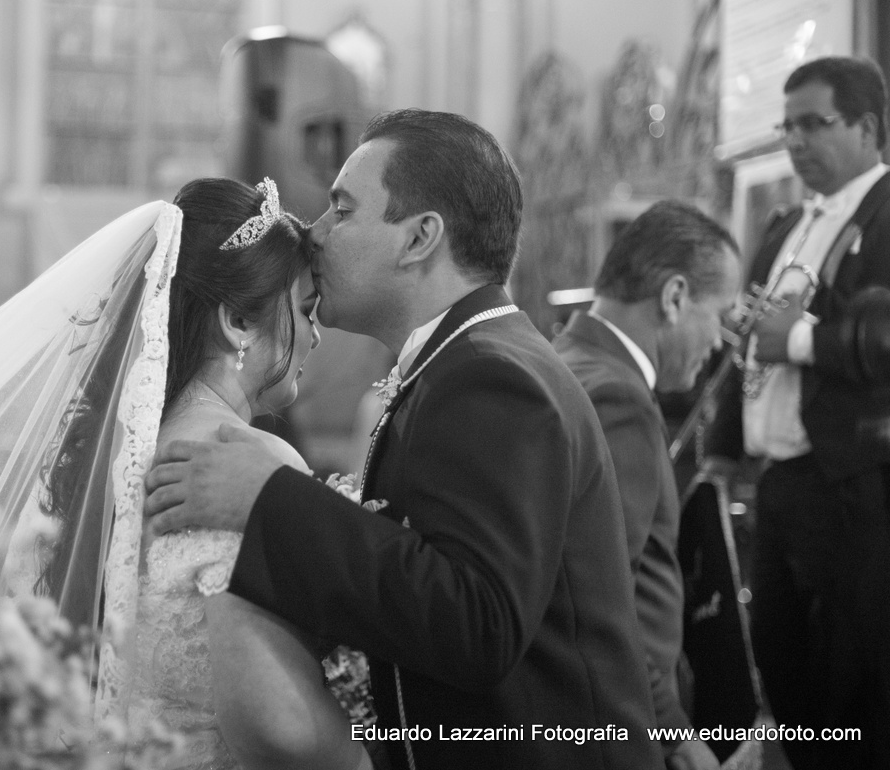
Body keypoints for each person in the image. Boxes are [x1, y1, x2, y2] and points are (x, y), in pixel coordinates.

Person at [145, 109, 663, 769]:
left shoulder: (491, 377)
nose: (315, 232)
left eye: (342, 210)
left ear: (419, 237)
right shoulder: (462, 362)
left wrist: (269, 497)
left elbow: (480, 621)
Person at [0, 178, 371, 770]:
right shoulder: (246, 460)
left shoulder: (116, 455)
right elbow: (278, 726)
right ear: (238, 320)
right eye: (305, 310)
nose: (316, 335)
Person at [704, 55, 890, 769]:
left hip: (851, 481)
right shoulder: (786, 225)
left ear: (867, 127)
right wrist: (721, 449)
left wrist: (803, 338)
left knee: (853, 674)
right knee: (779, 661)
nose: (796, 140)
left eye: (815, 123)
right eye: (788, 126)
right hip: (777, 478)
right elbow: (755, 347)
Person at [553, 201, 741, 770]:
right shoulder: (619, 398)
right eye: (721, 314)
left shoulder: (567, 359)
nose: (722, 341)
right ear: (674, 296)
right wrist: (674, 732)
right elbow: (606, 597)